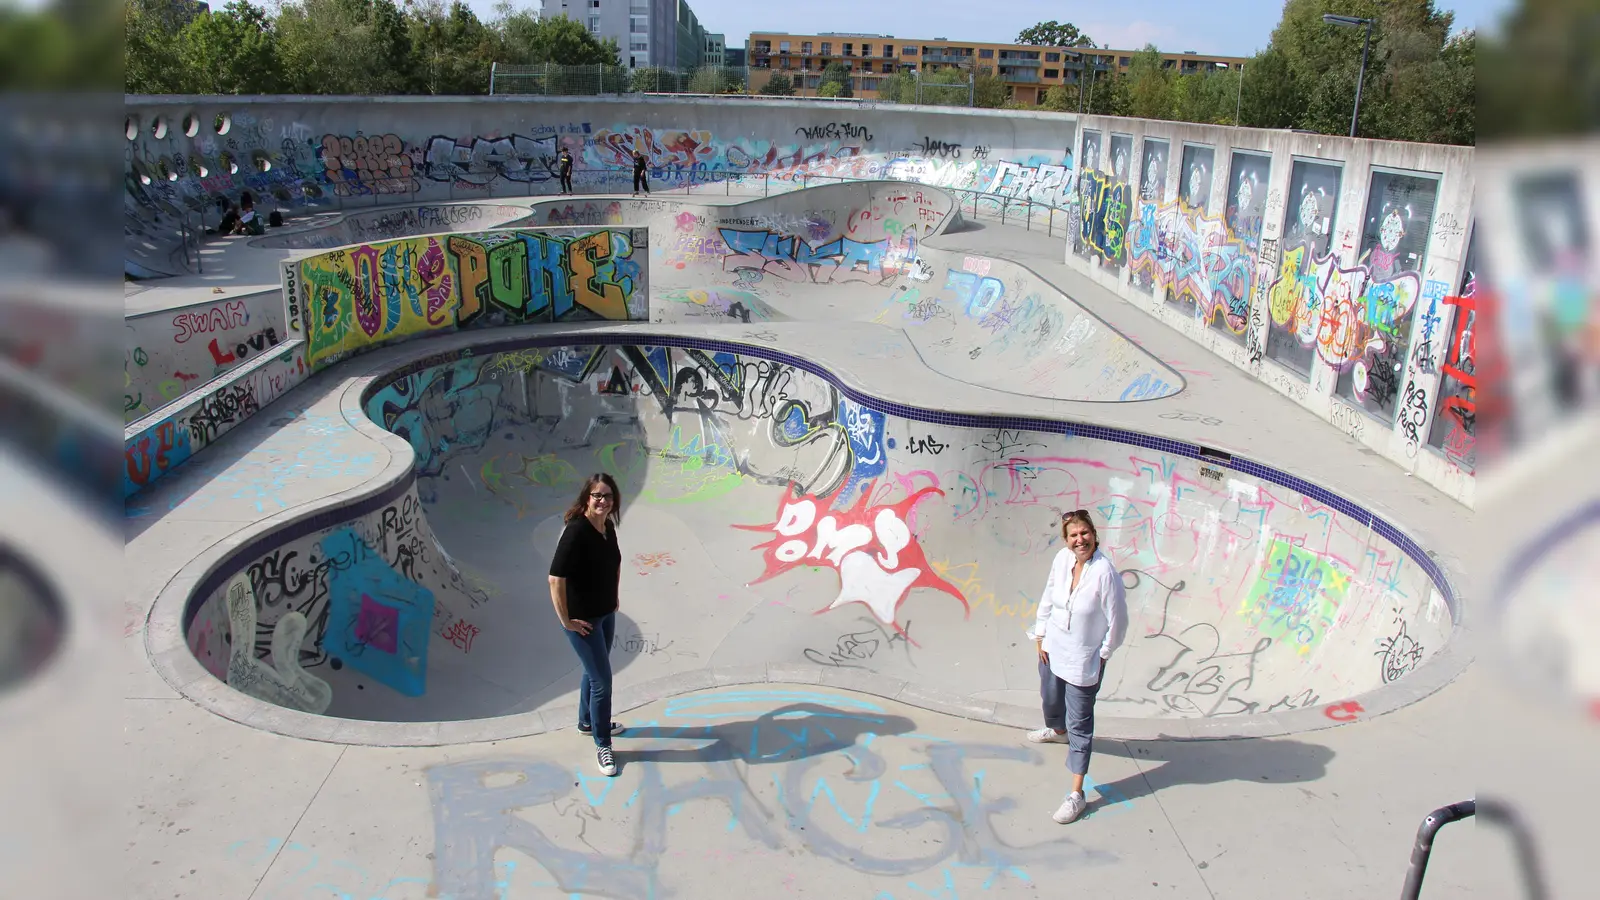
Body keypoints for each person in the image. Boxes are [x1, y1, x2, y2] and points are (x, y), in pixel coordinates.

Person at [1025, 509, 1127, 824]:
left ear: (1094, 535)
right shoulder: (1062, 559)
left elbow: (1118, 621)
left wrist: (1104, 653)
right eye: (1073, 535)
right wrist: (1040, 633)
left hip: (1083, 660)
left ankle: (1076, 794)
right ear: (1066, 540)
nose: (1079, 540)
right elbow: (1048, 595)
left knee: (1080, 726)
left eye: (1084, 533)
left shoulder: (1105, 573)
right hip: (1053, 648)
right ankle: (1058, 731)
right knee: (1050, 700)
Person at [548, 473, 627, 776]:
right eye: (597, 495)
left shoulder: (607, 527)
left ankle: (587, 722)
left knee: (593, 672)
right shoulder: (577, 531)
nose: (603, 501)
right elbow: (555, 578)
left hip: (605, 614)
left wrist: (614, 597)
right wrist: (565, 620)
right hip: (583, 621)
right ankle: (603, 743)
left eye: (608, 496)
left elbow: (615, 563)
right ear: (587, 498)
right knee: (602, 682)